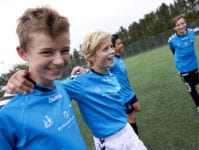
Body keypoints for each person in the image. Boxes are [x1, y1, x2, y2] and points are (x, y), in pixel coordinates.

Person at [6, 31, 147, 150]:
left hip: (127, 130)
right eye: (105, 49)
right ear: (90, 57)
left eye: (111, 46)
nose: (111, 51)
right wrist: (21, 77)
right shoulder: (81, 82)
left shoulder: (110, 74)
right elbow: (50, 87)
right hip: (110, 142)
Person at [0, 6, 87, 149]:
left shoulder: (60, 87)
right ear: (23, 53)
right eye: (47, 52)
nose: (59, 61)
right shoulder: (6, 113)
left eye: (64, 50)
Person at [168, 14, 199, 113]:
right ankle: (198, 105)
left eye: (182, 23)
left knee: (196, 82)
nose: (181, 26)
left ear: (185, 24)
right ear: (174, 27)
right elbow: (173, 51)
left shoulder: (191, 33)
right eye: (178, 25)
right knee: (191, 88)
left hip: (194, 64)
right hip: (183, 68)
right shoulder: (171, 40)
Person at [110, 34, 141, 135]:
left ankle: (122, 120)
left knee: (137, 108)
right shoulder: (112, 61)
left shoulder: (119, 59)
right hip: (122, 95)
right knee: (132, 118)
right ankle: (134, 142)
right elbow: (102, 72)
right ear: (113, 47)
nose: (122, 45)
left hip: (129, 92)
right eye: (119, 44)